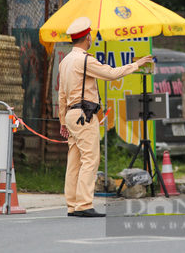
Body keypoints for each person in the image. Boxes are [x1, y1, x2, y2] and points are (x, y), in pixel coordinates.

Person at [59, 17, 153, 218]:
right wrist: (136, 65)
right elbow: (111, 74)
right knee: (90, 160)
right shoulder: (85, 60)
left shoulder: (65, 61)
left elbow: (62, 95)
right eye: (90, 35)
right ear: (87, 37)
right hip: (84, 116)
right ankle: (84, 204)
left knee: (74, 161)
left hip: (71, 115)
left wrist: (62, 121)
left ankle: (72, 205)